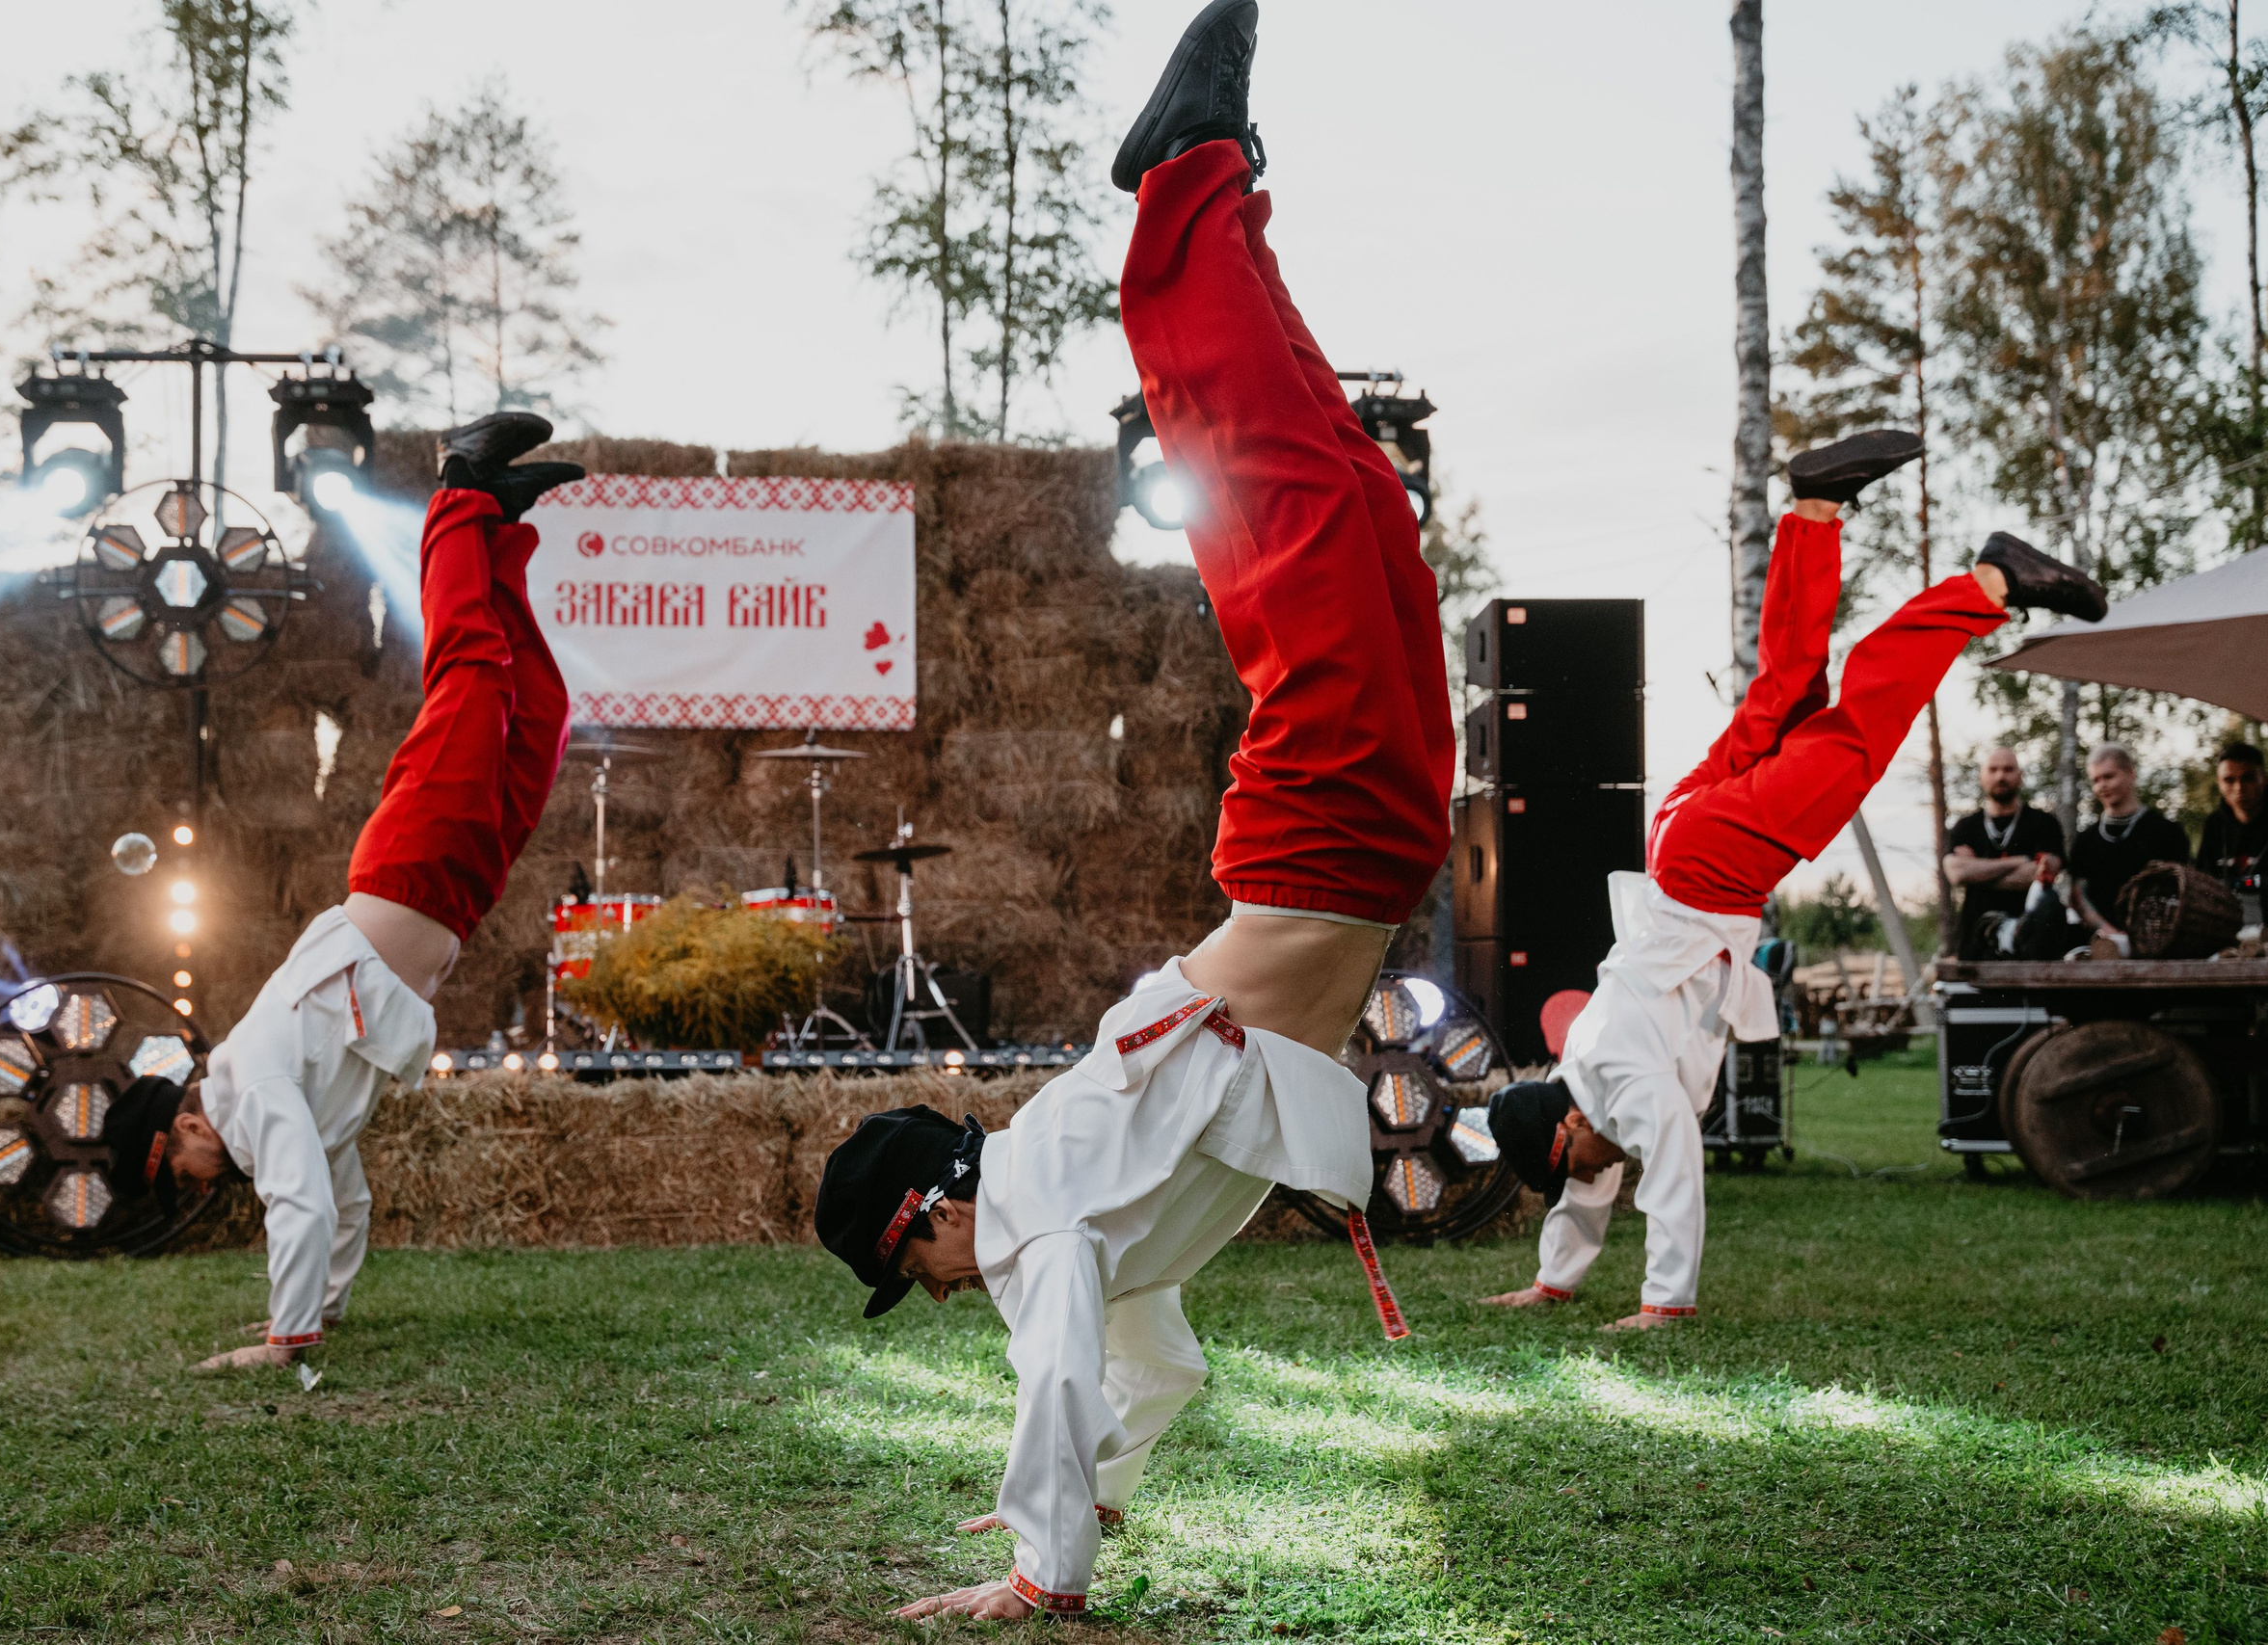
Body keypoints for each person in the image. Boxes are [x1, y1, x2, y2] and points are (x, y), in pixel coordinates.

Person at [813, 2, 1453, 1619]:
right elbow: (1148, 1373)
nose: (949, 1298)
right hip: (1358, 865)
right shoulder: (1084, 1233)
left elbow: (1051, 1378)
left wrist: (1041, 1570)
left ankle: (1183, 198)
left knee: (1293, 529)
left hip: (1314, 864)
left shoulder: (1031, 1219)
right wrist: (1088, 1488)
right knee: (1364, 512)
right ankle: (1224, 212)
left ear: (925, 1217)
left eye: (918, 1277)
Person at [1478, 436, 2107, 1331]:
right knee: (1786, 695)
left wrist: (1666, 1302)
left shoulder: (1614, 1079)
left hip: (1707, 872)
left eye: (1570, 1164)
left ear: (1564, 1128)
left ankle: (1992, 581)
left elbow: (1673, 1169)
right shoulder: (1594, 1098)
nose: (1587, 1181)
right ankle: (1812, 510)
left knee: (1855, 738)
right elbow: (1589, 1194)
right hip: (1678, 839)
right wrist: (1553, 1283)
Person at [127, 412, 583, 1371]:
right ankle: (496, 535)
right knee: (536, 714)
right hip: (451, 899)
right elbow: (343, 1200)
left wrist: (283, 1343)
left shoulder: (249, 1088)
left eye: (179, 1168)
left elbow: (297, 1198)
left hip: (407, 872)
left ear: (183, 1130)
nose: (197, 1183)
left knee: (469, 676)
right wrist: (325, 1309)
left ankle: (458, 488)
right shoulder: (271, 1107)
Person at [1943, 746, 2066, 960]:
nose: (2000, 776)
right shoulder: (1966, 827)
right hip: (1975, 945)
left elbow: (2038, 874)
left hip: (2032, 946)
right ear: (1982, 777)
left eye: (2008, 769)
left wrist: (1976, 872)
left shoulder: (2043, 823)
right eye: (1993, 769)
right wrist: (2020, 861)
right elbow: (1957, 874)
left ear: (2020, 776)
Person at [2066, 742, 2191, 941]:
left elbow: (2182, 890)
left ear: (2131, 774)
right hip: (2100, 943)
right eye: (2095, 780)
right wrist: (2109, 933)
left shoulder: (2167, 832)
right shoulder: (2085, 840)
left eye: (2108, 776)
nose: (2102, 786)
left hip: (2159, 940)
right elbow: (2079, 898)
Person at [2195, 741, 2268, 936]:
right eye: (2229, 780)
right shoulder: (2215, 825)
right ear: (2219, 784)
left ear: (2264, 778)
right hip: (2231, 934)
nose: (2239, 788)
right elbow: (2203, 884)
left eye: (2248, 778)